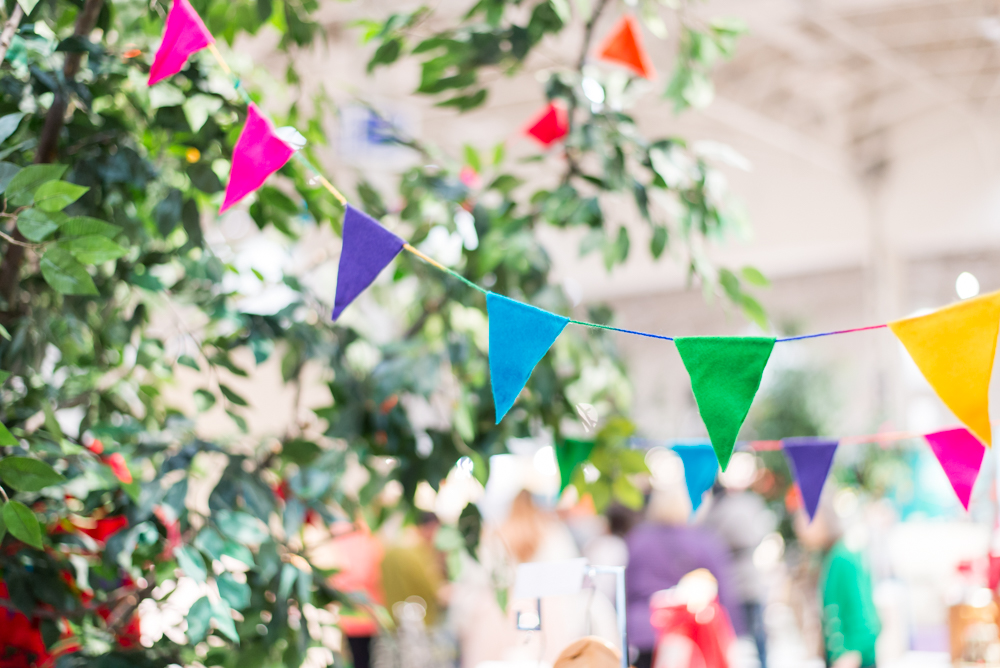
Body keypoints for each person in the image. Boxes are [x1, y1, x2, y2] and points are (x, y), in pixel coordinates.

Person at [626, 484, 744, 668]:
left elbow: (627, 588)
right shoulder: (704, 541)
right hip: (692, 635)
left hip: (645, 631)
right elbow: (723, 591)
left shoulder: (637, 540)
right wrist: (734, 632)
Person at [794, 492, 880, 668]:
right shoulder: (827, 557)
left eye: (805, 518)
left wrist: (851, 654)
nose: (799, 527)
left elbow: (863, 614)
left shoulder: (843, 557)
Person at [702, 482, 776, 667]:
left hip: (733, 578)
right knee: (756, 633)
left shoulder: (717, 513)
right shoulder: (748, 505)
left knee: (738, 635)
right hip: (747, 577)